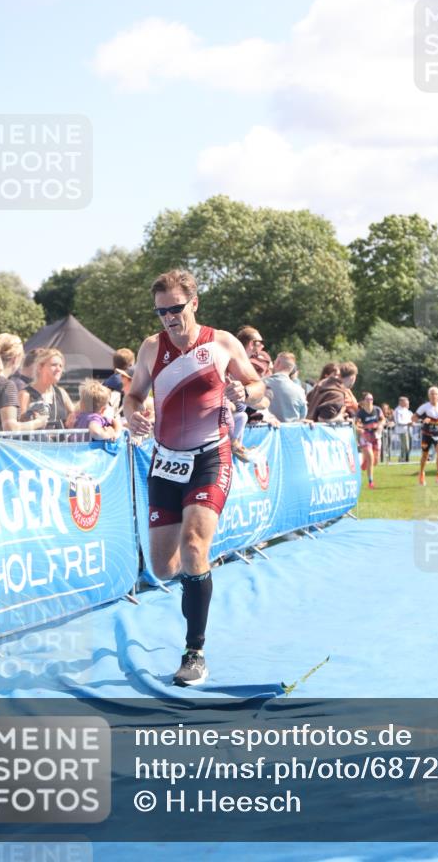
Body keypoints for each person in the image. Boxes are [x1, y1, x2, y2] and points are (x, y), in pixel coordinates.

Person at [124, 269, 265, 687]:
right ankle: (198, 572)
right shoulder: (151, 348)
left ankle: (194, 651)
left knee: (192, 547)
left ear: (194, 303)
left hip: (210, 455)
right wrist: (134, 415)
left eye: (175, 308)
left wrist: (246, 394)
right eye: (161, 311)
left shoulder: (222, 343)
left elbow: (257, 384)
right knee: (165, 568)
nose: (168, 317)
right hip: (165, 459)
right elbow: (133, 395)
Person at [0, 334, 48, 434]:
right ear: (15, 359)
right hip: (1, 447)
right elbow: (10, 427)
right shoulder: (6, 385)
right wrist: (38, 422)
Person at [19, 349, 76, 430]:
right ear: (40, 367)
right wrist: (32, 419)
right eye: (54, 365)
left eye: (61, 366)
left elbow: (74, 414)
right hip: (35, 442)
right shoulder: (25, 394)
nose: (59, 369)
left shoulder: (61, 392)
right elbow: (20, 423)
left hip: (60, 442)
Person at [413, 386, 438, 486]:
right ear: (429, 396)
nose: (434, 396)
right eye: (432, 394)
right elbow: (413, 418)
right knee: (425, 455)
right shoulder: (424, 407)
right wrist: (422, 420)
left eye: (435, 394)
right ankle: (421, 474)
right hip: (426, 435)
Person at [264, 353, 307, 422]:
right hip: (292, 431)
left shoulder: (261, 384)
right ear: (292, 368)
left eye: (275, 362)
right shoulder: (300, 390)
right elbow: (302, 416)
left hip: (265, 430)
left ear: (277, 363)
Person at [355, 393, 384, 489]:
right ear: (363, 401)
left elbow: (383, 420)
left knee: (375, 461)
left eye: (371, 399)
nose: (370, 401)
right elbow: (356, 425)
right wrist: (361, 430)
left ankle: (365, 462)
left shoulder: (377, 409)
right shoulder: (360, 413)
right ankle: (370, 482)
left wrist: (380, 425)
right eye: (367, 399)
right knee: (371, 458)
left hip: (376, 436)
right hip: (365, 436)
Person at [393, 396, 413, 462]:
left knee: (408, 446)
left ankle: (402, 459)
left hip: (408, 430)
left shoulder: (406, 410)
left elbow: (409, 419)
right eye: (405, 402)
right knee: (405, 446)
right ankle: (404, 459)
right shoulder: (397, 410)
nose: (407, 403)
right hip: (402, 431)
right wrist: (408, 423)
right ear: (401, 402)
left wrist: (411, 423)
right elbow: (398, 422)